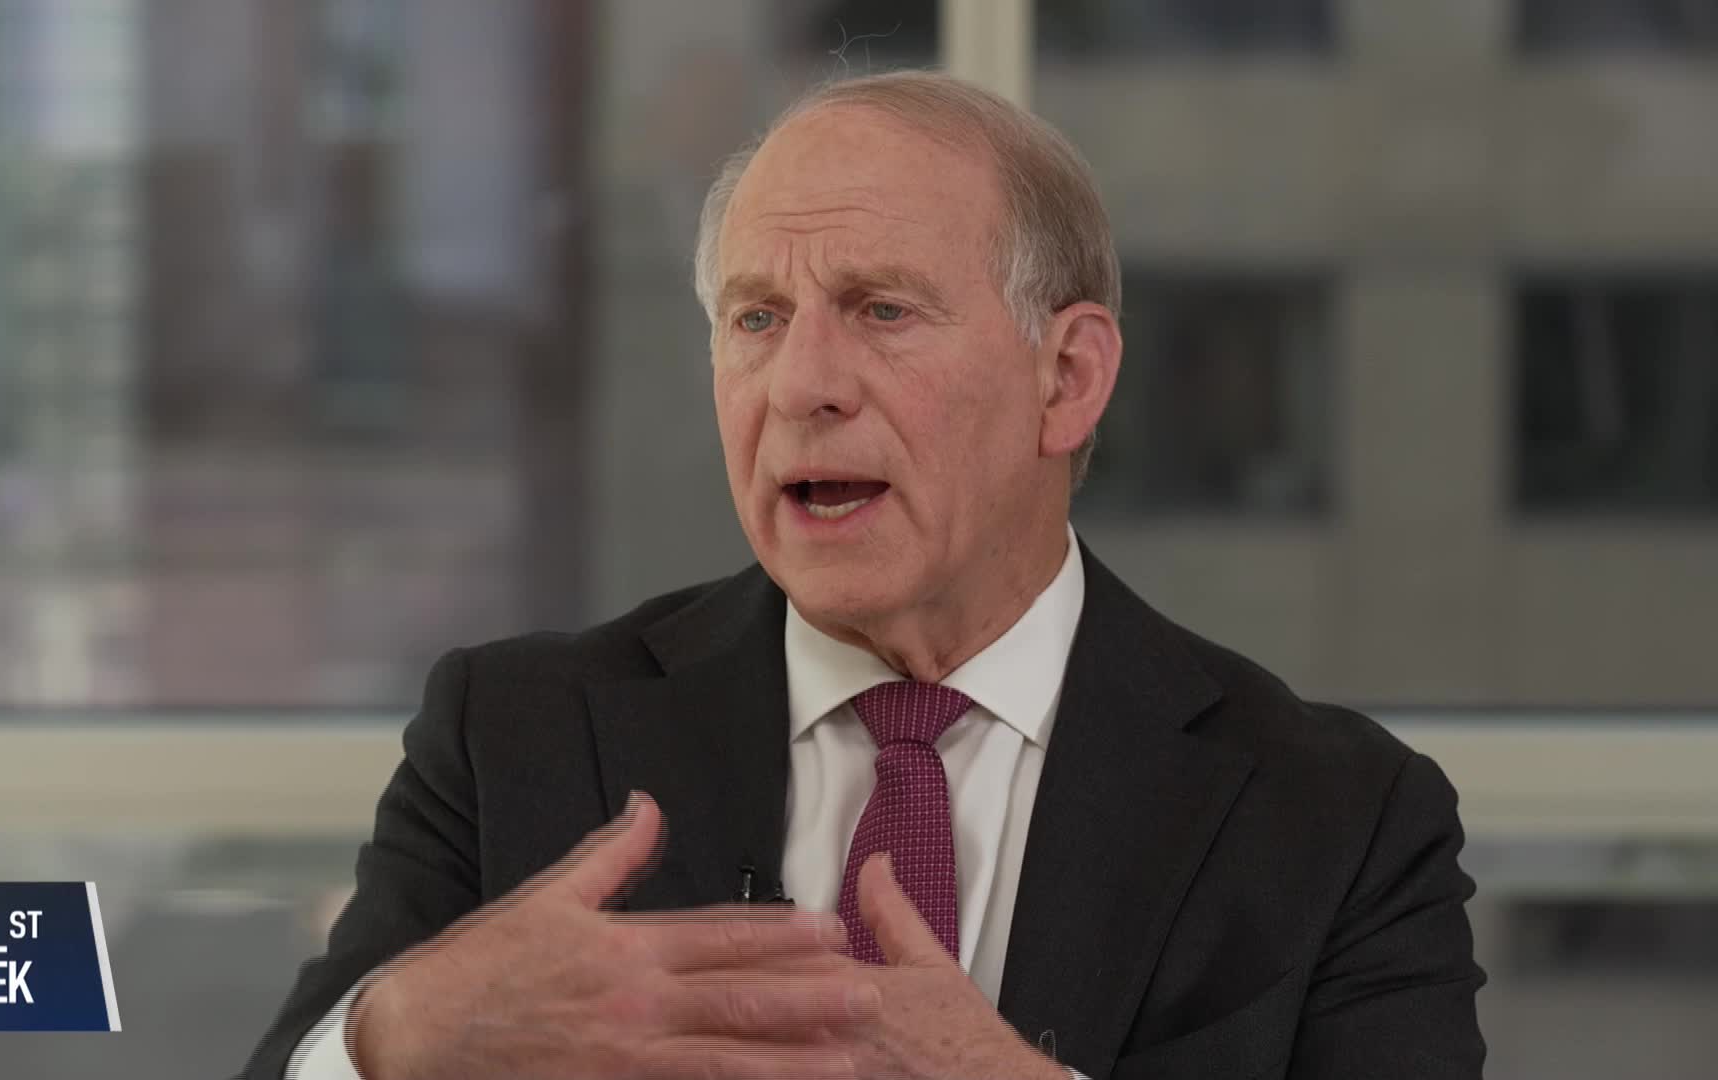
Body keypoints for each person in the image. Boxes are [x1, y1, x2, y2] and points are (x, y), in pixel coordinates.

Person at [243, 71, 1486, 1080]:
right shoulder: (511, 738)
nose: (800, 385)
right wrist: (396, 1040)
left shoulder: (1337, 823)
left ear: (1067, 379)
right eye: (756, 319)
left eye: (881, 310)